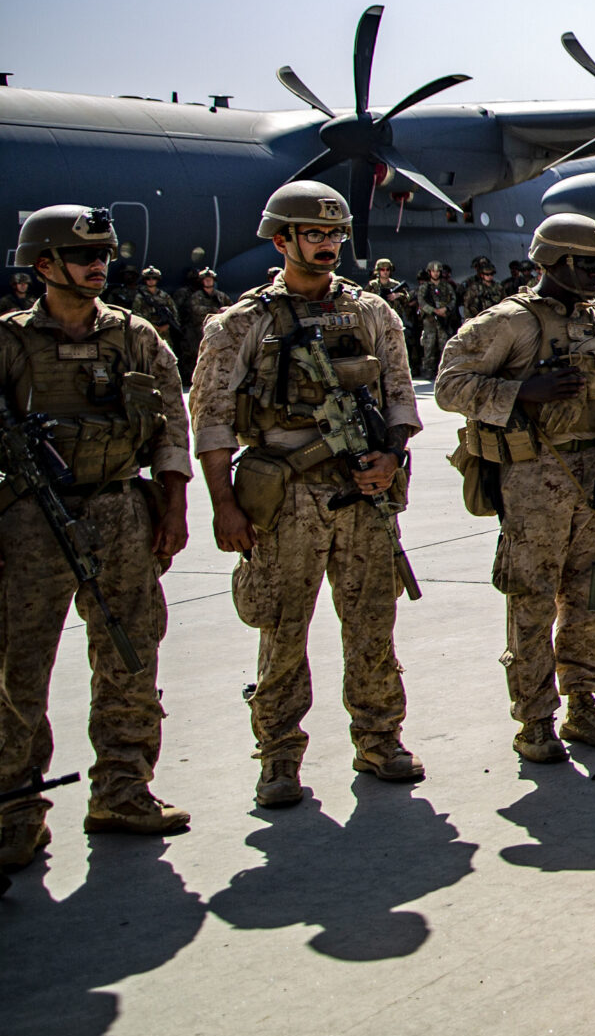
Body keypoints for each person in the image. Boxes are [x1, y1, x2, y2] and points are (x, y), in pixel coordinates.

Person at [187, 184, 423, 807]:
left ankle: (379, 739)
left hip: (363, 492)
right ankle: (279, 757)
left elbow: (400, 396)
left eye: (335, 235)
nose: (327, 245)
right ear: (281, 240)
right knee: (284, 629)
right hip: (286, 494)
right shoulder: (242, 323)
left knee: (374, 621)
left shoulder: (373, 313)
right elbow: (210, 420)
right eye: (313, 234)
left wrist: (391, 459)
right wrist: (224, 504)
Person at [0, 207, 193, 869]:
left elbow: (171, 424)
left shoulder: (136, 336)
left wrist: (175, 505)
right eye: (81, 255)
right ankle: (14, 810)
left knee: (130, 655)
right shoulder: (10, 341)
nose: (98, 265)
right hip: (30, 517)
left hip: (120, 508)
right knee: (18, 667)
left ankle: (122, 789)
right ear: (43, 265)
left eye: (103, 254)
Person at [436, 214, 595, 763]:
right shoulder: (509, 322)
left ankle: (583, 702)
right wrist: (523, 391)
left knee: (590, 594)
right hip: (535, 477)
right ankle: (534, 719)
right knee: (531, 598)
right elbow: (449, 385)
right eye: (584, 265)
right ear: (550, 263)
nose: (593, 276)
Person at [414, 261, 459, 378]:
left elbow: (453, 299)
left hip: (443, 320)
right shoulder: (424, 287)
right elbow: (421, 302)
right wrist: (434, 310)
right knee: (429, 345)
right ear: (429, 272)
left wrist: (446, 309)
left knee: (444, 344)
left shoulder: (446, 286)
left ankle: (443, 370)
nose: (436, 273)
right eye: (433, 271)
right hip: (430, 320)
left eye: (438, 271)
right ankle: (428, 370)